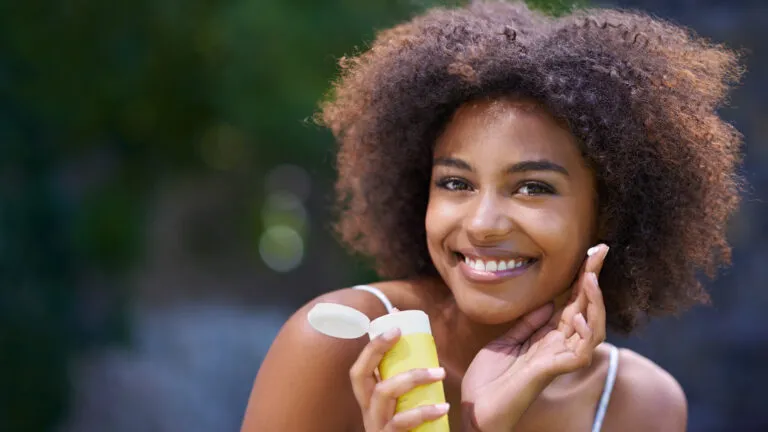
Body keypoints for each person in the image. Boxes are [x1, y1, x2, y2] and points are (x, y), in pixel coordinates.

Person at [242, 1, 743, 430]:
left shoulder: (639, 405)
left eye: (532, 188)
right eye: (456, 183)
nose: (482, 224)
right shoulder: (339, 342)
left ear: (608, 212)